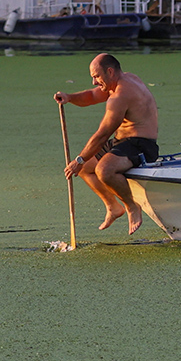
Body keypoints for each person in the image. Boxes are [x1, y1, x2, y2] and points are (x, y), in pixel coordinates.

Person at [54, 53, 159, 235]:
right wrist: (69, 97)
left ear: (110, 71)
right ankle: (113, 207)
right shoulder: (125, 78)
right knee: (87, 168)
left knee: (104, 170)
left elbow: (102, 135)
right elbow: (92, 96)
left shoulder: (120, 96)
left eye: (96, 76)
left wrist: (78, 160)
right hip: (123, 141)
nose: (94, 82)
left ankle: (132, 206)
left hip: (141, 144)